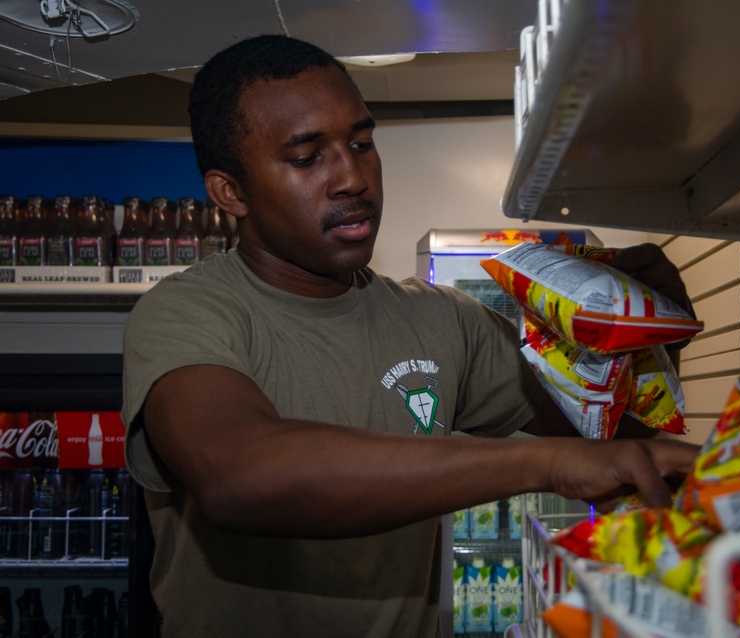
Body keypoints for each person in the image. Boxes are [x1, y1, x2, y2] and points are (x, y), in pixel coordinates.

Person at [122, 34, 700, 637]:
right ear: (230, 192)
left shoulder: (442, 321)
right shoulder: (187, 315)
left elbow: (619, 439)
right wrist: (549, 463)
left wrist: (650, 332)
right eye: (307, 157)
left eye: (362, 143)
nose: (352, 177)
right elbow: (239, 474)